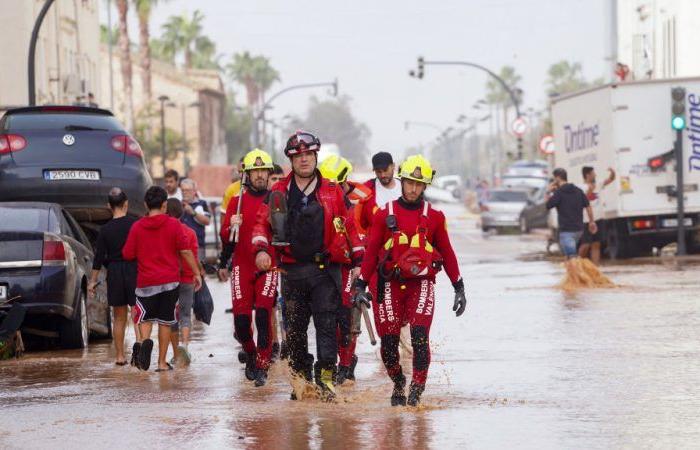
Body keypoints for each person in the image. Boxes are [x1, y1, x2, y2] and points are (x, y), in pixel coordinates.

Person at [252, 131, 362, 401]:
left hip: (326, 272)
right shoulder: (278, 192)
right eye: (297, 156)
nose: (303, 160)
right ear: (291, 159)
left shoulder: (333, 190)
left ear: (315, 156)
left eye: (308, 155)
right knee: (296, 332)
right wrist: (261, 250)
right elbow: (260, 224)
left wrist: (359, 261)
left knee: (327, 327)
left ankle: (326, 380)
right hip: (291, 272)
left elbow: (350, 226)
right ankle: (301, 382)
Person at [352, 155, 466, 407]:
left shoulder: (435, 217)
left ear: (425, 186)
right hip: (389, 285)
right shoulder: (384, 214)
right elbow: (371, 254)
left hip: (422, 284)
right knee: (389, 343)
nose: (413, 188)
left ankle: (417, 387)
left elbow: (447, 253)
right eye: (409, 183)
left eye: (419, 184)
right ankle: (399, 382)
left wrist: (459, 286)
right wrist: (360, 285)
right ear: (401, 181)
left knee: (419, 336)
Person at [122, 186, 202, 372]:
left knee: (146, 319)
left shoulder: (137, 226)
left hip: (146, 282)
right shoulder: (173, 225)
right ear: (165, 204)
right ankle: (161, 363)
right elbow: (185, 250)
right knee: (166, 322)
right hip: (170, 282)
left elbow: (127, 254)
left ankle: (144, 342)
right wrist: (196, 272)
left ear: (145, 205)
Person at [219, 149, 279, 387]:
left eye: (264, 171)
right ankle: (251, 354)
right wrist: (230, 226)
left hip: (267, 267)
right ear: (247, 174)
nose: (260, 176)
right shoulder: (236, 201)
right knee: (242, 323)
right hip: (241, 267)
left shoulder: (276, 200)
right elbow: (225, 237)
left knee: (264, 316)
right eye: (255, 172)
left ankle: (264, 365)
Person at [318, 154, 370, 385]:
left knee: (348, 319)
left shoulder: (363, 200)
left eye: (336, 185)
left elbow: (369, 235)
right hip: (328, 268)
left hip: (354, 267)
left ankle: (346, 365)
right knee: (328, 321)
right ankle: (334, 365)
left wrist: (362, 266)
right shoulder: (320, 200)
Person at [88, 187, 138, 366]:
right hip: (134, 269)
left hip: (114, 272)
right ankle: (139, 353)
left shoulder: (105, 230)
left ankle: (119, 356)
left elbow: (98, 258)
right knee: (137, 313)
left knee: (119, 317)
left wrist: (92, 281)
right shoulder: (135, 224)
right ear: (126, 204)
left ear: (109, 206)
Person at [165, 198, 198, 366]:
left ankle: (176, 353)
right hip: (187, 279)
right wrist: (197, 274)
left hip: (169, 280)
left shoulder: (164, 232)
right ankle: (185, 345)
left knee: (171, 317)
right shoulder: (190, 232)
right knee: (185, 314)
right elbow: (194, 255)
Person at [546, 168, 596, 259]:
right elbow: (588, 206)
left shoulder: (559, 193)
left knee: (571, 258)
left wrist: (548, 191)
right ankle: (579, 270)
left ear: (557, 178)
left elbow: (547, 205)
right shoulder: (578, 190)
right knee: (571, 257)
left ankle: (578, 271)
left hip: (566, 231)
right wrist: (591, 221)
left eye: (554, 179)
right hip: (579, 230)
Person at [578, 166, 616, 265]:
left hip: (599, 218)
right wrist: (590, 190)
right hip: (586, 221)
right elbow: (583, 200)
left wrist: (612, 173)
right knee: (586, 245)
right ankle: (576, 264)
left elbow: (611, 179)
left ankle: (596, 268)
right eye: (593, 173)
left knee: (596, 244)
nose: (595, 175)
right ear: (588, 175)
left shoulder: (598, 184)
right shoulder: (580, 187)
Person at [180, 178, 211, 261]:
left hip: (198, 245)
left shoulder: (202, 203)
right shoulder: (178, 205)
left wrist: (193, 213)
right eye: (182, 190)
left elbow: (207, 221)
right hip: (181, 247)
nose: (184, 192)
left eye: (187, 190)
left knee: (199, 271)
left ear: (194, 191)